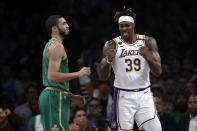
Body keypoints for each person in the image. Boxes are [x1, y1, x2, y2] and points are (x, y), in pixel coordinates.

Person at [98, 8, 162, 131]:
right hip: (123, 94)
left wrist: (148, 57)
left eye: (127, 25)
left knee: (156, 129)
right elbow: (102, 77)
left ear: (133, 25)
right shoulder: (111, 44)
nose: (124, 29)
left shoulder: (148, 42)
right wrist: (108, 61)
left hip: (144, 93)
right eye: (121, 26)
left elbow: (158, 72)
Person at [39, 15, 91, 131]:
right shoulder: (57, 46)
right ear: (54, 28)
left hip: (55, 94)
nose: (67, 26)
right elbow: (52, 77)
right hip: (54, 96)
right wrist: (78, 74)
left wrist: (70, 95)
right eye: (63, 23)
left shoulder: (50, 45)